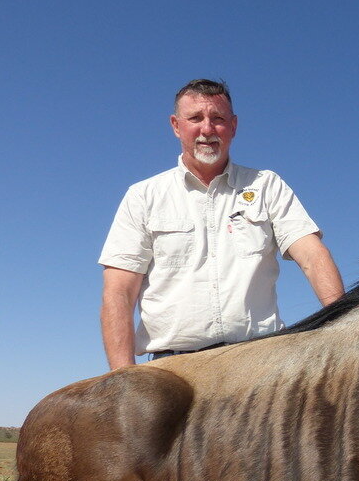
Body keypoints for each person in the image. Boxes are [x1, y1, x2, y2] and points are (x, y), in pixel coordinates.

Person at [99, 79, 344, 370]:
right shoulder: (143, 196)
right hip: (171, 370)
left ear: (234, 126)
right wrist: (122, 377)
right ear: (176, 126)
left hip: (260, 362)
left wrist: (344, 332)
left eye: (218, 119)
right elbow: (119, 292)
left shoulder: (267, 185)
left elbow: (313, 257)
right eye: (195, 118)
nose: (207, 129)